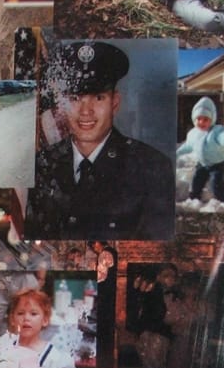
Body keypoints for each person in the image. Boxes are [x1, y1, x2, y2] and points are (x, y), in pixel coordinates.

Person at [27, 41, 174, 241]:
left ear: (114, 103)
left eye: (98, 98)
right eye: (75, 98)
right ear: (62, 105)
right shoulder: (41, 165)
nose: (85, 111)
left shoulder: (152, 169)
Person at [0, 286, 75, 368]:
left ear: (45, 320)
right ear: (12, 319)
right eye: (20, 313)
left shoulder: (53, 357)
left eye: (33, 314)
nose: (26, 318)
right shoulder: (4, 343)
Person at [177, 97, 224, 204]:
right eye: (199, 119)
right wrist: (177, 153)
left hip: (217, 164)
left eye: (205, 119)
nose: (201, 122)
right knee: (196, 181)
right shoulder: (193, 133)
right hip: (202, 164)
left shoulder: (216, 132)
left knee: (216, 183)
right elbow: (188, 146)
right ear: (194, 119)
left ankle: (221, 202)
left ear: (212, 120)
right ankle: (194, 199)